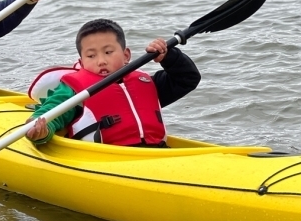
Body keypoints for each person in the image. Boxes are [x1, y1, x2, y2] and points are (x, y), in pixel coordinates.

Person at [26, 19, 200, 147]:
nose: (101, 61)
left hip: (157, 153)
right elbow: (51, 113)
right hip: (108, 159)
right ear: (82, 62)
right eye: (91, 55)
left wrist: (169, 56)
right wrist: (41, 131)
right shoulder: (74, 90)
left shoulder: (146, 83)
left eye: (108, 52)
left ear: (126, 55)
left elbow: (187, 79)